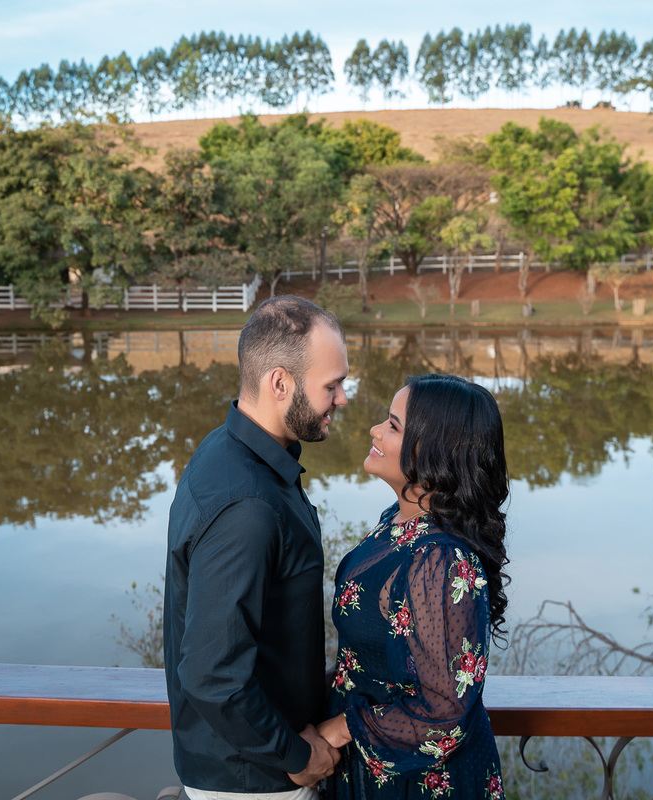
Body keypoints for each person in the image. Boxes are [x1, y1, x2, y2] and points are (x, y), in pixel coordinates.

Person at [164, 296, 350, 799]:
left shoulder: (231, 452)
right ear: (280, 383)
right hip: (254, 782)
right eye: (332, 385)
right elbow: (211, 675)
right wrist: (296, 755)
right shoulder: (246, 505)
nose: (343, 398)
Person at [316, 374, 509, 800]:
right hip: (368, 766)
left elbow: (444, 712)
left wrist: (341, 729)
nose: (375, 430)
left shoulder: (439, 560)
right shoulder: (398, 521)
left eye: (393, 425)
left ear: (434, 451)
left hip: (420, 783)